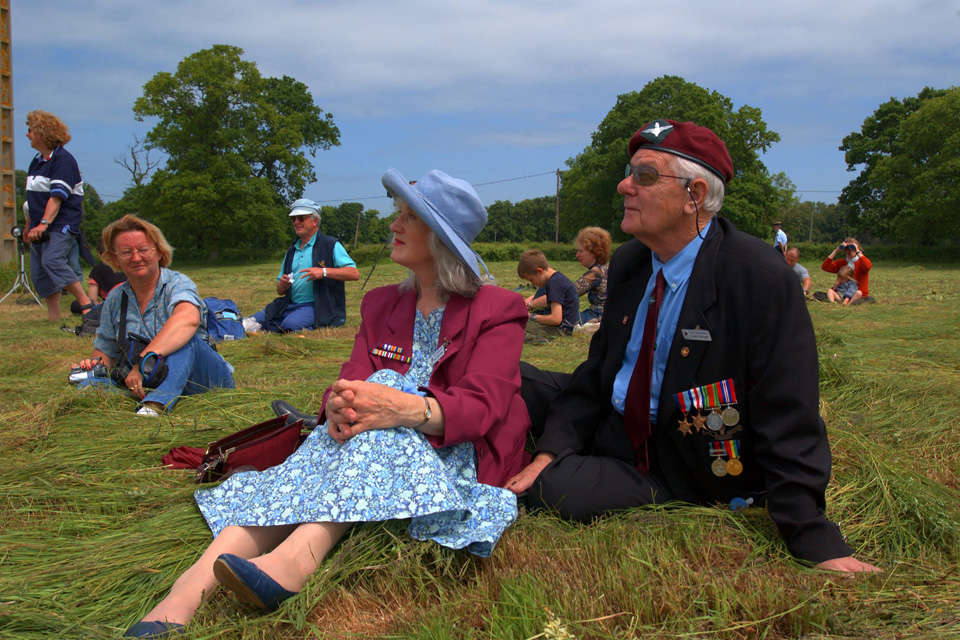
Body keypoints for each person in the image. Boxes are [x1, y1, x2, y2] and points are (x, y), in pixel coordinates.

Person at [122, 169, 530, 638]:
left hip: (452, 449)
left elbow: (482, 408)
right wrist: (340, 406)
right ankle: (183, 594)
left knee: (382, 408)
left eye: (407, 219)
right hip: (358, 437)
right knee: (338, 431)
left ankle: (295, 560)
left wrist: (399, 408)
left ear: (439, 238)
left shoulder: (498, 309)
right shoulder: (381, 304)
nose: (393, 226)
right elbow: (348, 382)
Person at [509, 118, 880, 574]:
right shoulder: (630, 262)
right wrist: (553, 446)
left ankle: (554, 465)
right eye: (629, 172)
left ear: (695, 195)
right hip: (615, 413)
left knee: (555, 490)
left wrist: (812, 536)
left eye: (644, 175)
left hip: (675, 454)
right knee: (509, 377)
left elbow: (787, 410)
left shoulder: (758, 279)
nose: (625, 185)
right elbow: (598, 371)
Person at [71, 215, 235, 417]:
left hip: (204, 379)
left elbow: (188, 320)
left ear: (158, 252)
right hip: (146, 382)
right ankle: (134, 400)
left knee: (186, 340)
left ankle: (154, 406)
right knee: (88, 384)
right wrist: (93, 365)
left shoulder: (178, 283)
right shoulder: (114, 299)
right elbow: (106, 353)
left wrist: (143, 362)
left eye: (142, 250)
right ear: (115, 259)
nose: (136, 257)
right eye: (126, 252)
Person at [22, 110, 94, 321]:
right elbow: (33, 199)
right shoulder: (37, 161)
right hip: (39, 224)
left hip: (60, 223)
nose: (27, 135)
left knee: (53, 260)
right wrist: (29, 224)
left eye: (30, 130)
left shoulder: (63, 160)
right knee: (40, 272)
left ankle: (86, 304)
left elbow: (57, 197)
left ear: (42, 133)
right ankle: (54, 317)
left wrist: (44, 223)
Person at [249, 199, 360, 332]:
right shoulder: (292, 250)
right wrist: (283, 284)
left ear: (315, 221)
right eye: (293, 219)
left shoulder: (330, 245)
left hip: (318, 306)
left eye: (301, 218)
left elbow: (354, 273)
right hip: (289, 304)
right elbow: (280, 291)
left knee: (290, 325)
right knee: (252, 321)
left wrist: (323, 272)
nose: (296, 222)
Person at [519, 249, 579, 342]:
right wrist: (530, 305)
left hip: (560, 332)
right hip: (564, 329)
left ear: (539, 271)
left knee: (518, 330)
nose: (532, 283)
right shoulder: (557, 278)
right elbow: (549, 300)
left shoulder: (554, 283)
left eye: (531, 280)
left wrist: (531, 317)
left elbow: (556, 319)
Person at [573, 226, 612, 324]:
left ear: (594, 253)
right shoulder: (606, 268)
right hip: (603, 315)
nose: (577, 255)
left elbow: (570, 291)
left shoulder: (596, 273)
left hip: (597, 316)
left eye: (581, 251)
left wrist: (533, 303)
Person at [821, 238, 872, 302]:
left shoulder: (861, 263)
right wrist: (836, 250)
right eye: (846, 249)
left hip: (858, 294)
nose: (848, 251)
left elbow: (868, 266)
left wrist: (858, 252)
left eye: (851, 249)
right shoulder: (842, 263)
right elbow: (825, 267)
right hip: (842, 293)